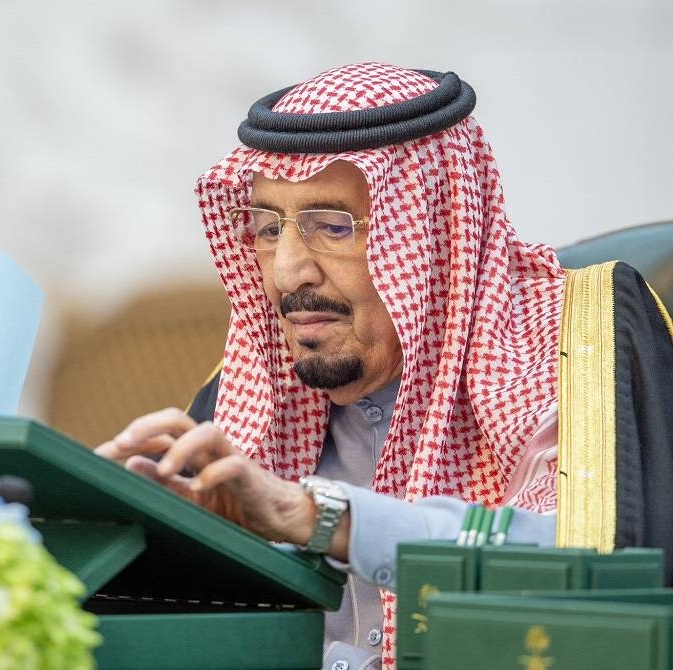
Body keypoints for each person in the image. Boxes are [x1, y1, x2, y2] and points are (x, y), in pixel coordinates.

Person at [95, 62, 673, 670]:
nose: (288, 272)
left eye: (332, 227)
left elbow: (588, 558)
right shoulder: (250, 391)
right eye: (267, 229)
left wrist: (316, 516)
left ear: (431, 233)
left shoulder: (575, 341)